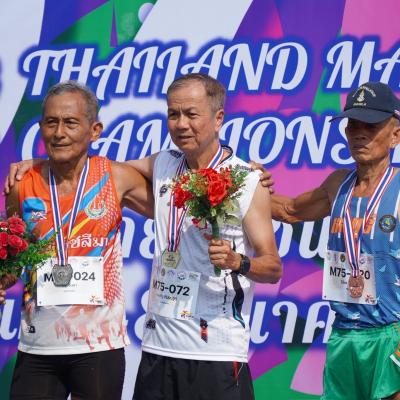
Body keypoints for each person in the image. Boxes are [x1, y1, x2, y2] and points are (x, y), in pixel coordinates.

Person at [4, 73, 282, 400]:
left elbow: (273, 267)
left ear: (218, 118)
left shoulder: (245, 180)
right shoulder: (163, 165)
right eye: (173, 114)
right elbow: (88, 164)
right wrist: (42, 162)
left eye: (191, 114)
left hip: (216, 349)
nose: (181, 124)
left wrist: (238, 261)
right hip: (158, 348)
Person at [0, 81, 154, 400]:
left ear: (94, 130)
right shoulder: (21, 184)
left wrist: (241, 173)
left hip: (98, 346)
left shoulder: (116, 177)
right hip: (38, 346)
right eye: (51, 122)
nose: (59, 133)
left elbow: (173, 207)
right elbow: (13, 262)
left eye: (70, 123)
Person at [271, 82, 400, 400]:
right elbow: (289, 210)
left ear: (395, 135)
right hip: (344, 335)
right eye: (353, 125)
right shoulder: (338, 184)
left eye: (370, 125)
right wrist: (240, 186)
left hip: (391, 335)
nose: (359, 134)